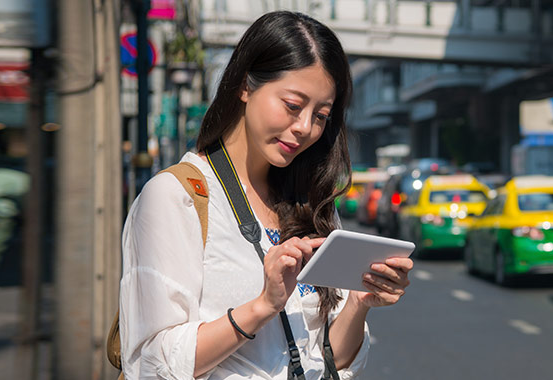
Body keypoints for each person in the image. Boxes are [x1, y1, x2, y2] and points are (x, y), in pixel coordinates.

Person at [119, 11, 413, 379]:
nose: (304, 128)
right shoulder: (174, 197)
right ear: (245, 85)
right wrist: (263, 306)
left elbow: (329, 363)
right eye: (292, 105)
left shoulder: (312, 204)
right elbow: (152, 363)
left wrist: (359, 302)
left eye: (321, 115)